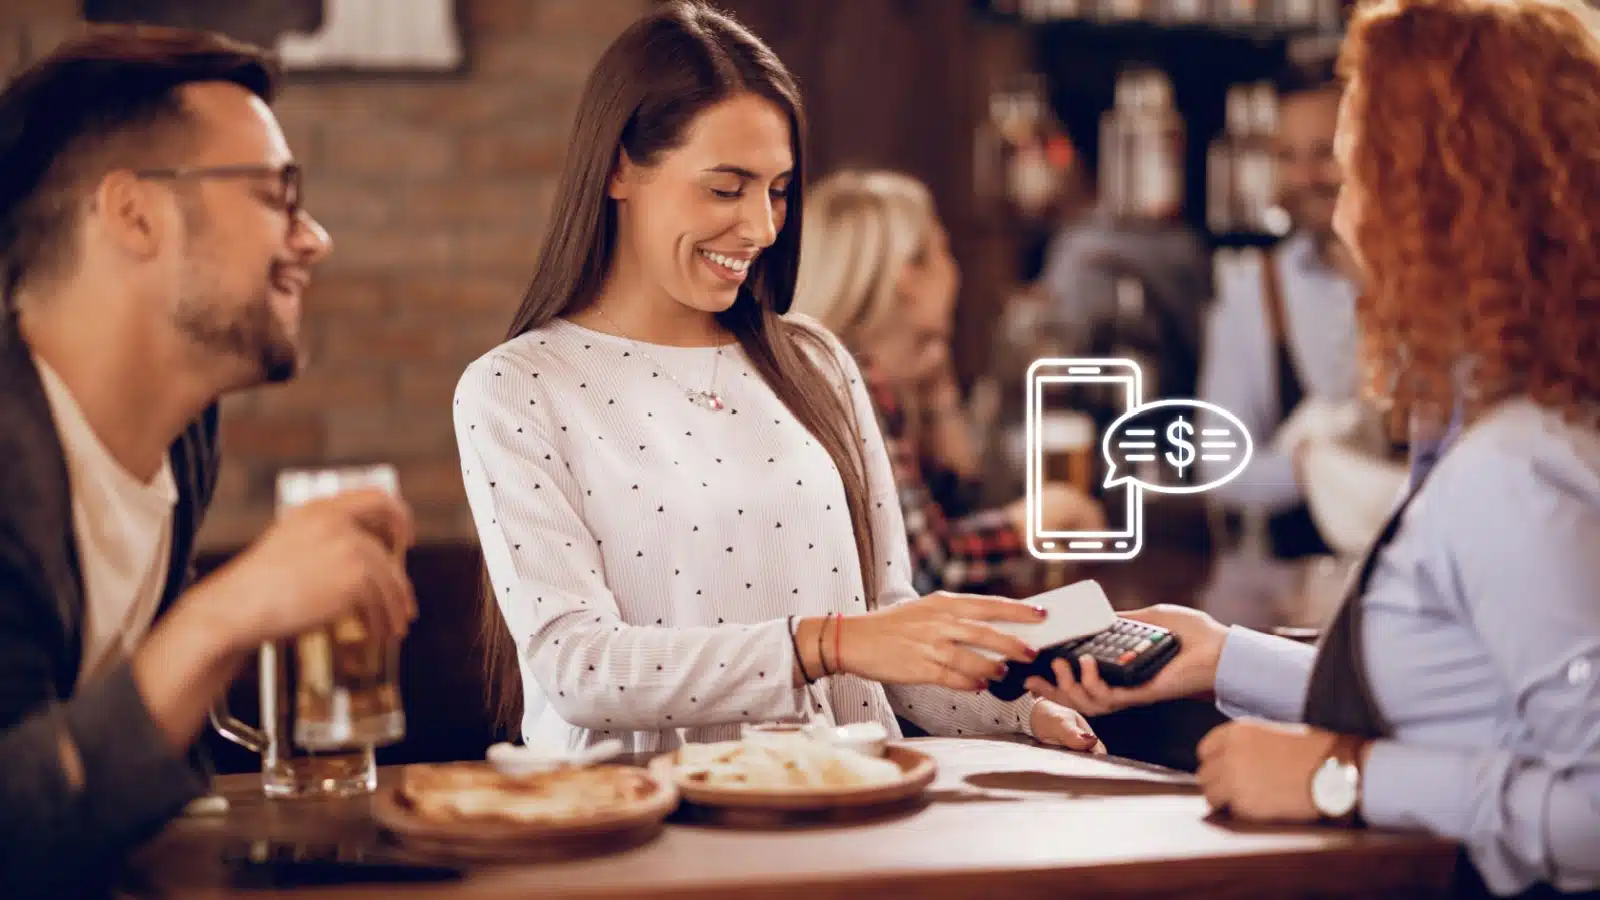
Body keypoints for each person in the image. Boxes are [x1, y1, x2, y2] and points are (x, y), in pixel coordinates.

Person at [1026, 0, 1600, 896]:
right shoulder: (1512, 423)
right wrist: (1223, 656)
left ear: (1437, 194)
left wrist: (1340, 778)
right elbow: (1469, 699)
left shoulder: (1511, 473)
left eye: (1357, 160)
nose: (1339, 207)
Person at [454, 0, 1101, 757]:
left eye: (778, 190)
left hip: (848, 816)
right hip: (643, 839)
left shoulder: (817, 362)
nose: (762, 227)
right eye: (726, 189)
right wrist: (824, 643)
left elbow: (886, 639)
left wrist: (1021, 717)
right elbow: (577, 667)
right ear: (621, 167)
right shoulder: (517, 388)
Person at [0, 26, 417, 898]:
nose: (315, 239)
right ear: (134, 213)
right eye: (277, 194)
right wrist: (219, 619)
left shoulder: (183, 438)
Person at [791, 168, 1104, 596]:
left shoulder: (862, 373)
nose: (955, 274)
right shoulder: (847, 383)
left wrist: (939, 394)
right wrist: (1036, 520)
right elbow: (929, 570)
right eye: (944, 255)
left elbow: (958, 506)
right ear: (909, 279)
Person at [1196, 53, 1373, 561]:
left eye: (1325, 153)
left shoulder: (1438, 284)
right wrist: (1323, 468)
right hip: (1302, 594)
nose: (1303, 176)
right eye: (1286, 156)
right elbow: (1220, 465)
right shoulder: (1257, 290)